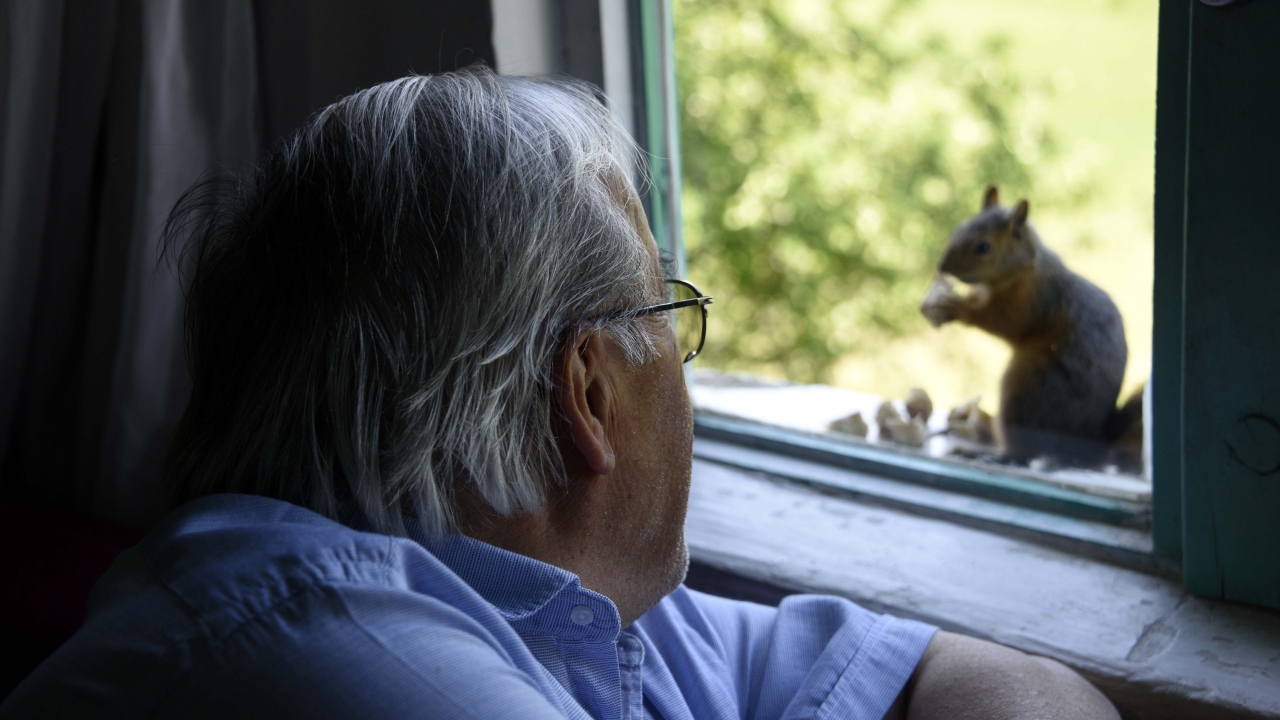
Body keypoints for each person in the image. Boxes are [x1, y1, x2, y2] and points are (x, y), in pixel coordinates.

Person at [0, 68, 1119, 720]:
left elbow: (1010, 687)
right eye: (671, 317)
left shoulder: (581, 605)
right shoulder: (319, 651)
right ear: (584, 393)